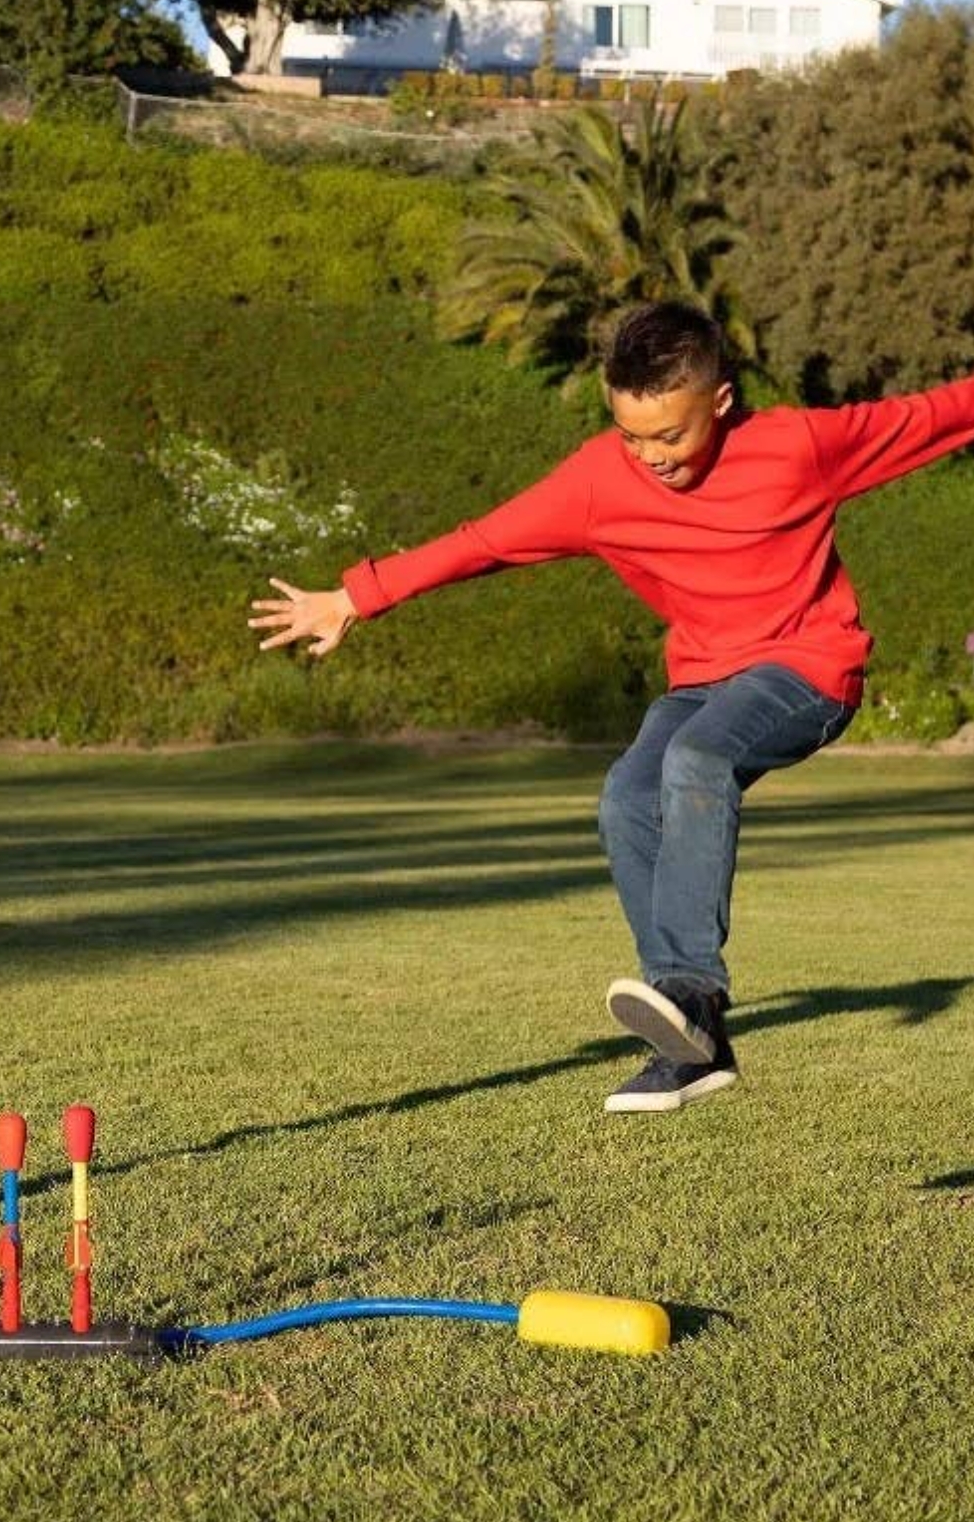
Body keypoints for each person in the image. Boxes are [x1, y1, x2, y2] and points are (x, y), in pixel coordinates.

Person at [250, 300, 974, 1112]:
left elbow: (942, 415)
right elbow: (483, 541)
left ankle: (693, 993)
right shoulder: (599, 479)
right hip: (703, 679)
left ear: (722, 402)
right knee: (627, 798)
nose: (651, 456)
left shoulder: (798, 447)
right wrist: (355, 595)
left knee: (698, 760)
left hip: (806, 669)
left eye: (670, 435)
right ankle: (692, 1043)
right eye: (632, 434)